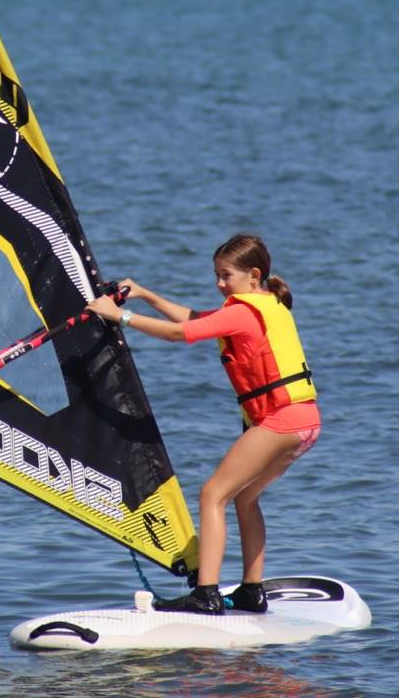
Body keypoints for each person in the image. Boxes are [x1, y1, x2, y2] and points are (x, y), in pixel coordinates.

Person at [86, 234, 320, 615]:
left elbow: (183, 334)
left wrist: (120, 317)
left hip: (280, 421)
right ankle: (251, 590)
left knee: (213, 495)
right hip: (306, 421)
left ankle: (206, 594)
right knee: (245, 498)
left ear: (254, 275)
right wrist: (146, 294)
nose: (219, 284)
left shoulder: (243, 311)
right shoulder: (267, 304)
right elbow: (196, 319)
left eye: (226, 276)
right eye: (216, 275)